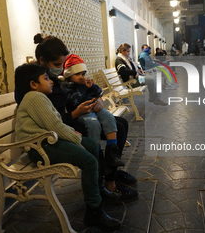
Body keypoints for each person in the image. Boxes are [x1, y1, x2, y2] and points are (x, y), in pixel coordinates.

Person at [28, 34, 138, 201]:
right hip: (60, 127)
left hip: (69, 118)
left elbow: (77, 95)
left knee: (121, 123)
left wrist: (98, 100)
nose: (61, 69)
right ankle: (107, 180)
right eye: (58, 65)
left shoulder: (50, 78)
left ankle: (110, 171)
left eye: (62, 64)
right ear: (43, 61)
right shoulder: (37, 83)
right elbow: (53, 119)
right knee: (116, 126)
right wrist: (76, 113)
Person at [14, 63, 121, 231]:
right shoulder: (35, 97)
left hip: (49, 141)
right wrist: (75, 137)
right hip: (39, 148)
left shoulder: (38, 97)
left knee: (92, 145)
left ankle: (98, 189)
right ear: (34, 84)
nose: (51, 82)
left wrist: (74, 136)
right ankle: (94, 211)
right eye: (46, 78)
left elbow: (55, 125)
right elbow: (55, 125)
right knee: (89, 161)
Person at [62, 54, 124, 168]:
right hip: (83, 112)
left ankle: (112, 153)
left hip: (95, 108)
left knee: (109, 117)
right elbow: (71, 101)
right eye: (77, 74)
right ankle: (97, 154)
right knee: (93, 123)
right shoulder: (65, 88)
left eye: (83, 74)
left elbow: (98, 92)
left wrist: (92, 87)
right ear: (69, 75)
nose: (81, 77)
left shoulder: (86, 84)